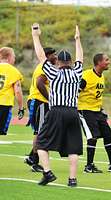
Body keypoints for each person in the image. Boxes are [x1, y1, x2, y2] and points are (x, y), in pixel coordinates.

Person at [32, 23, 83, 187]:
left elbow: (41, 57)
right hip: (73, 112)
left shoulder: (54, 72)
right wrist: (77, 39)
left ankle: (47, 172)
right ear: (70, 62)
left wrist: (35, 36)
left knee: (41, 143)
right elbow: (81, 58)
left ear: (59, 62)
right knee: (73, 147)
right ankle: (72, 179)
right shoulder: (77, 73)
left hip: (56, 111)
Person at [78, 53, 111, 173]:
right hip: (85, 110)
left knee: (108, 134)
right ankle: (89, 166)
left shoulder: (101, 76)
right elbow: (75, 92)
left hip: (97, 111)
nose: (108, 62)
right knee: (92, 137)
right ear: (99, 62)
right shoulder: (86, 75)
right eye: (106, 60)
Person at [24, 47, 57, 172]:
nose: (56, 57)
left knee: (41, 131)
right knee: (40, 132)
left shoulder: (44, 67)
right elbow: (39, 83)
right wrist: (49, 99)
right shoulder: (44, 67)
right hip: (40, 101)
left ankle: (32, 157)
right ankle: (34, 160)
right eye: (54, 55)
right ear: (47, 56)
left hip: (38, 101)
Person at [0, 47, 24, 135]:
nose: (14, 59)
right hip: (4, 105)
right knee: (1, 133)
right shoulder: (14, 71)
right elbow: (17, 91)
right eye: (14, 57)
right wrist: (21, 108)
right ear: (9, 57)